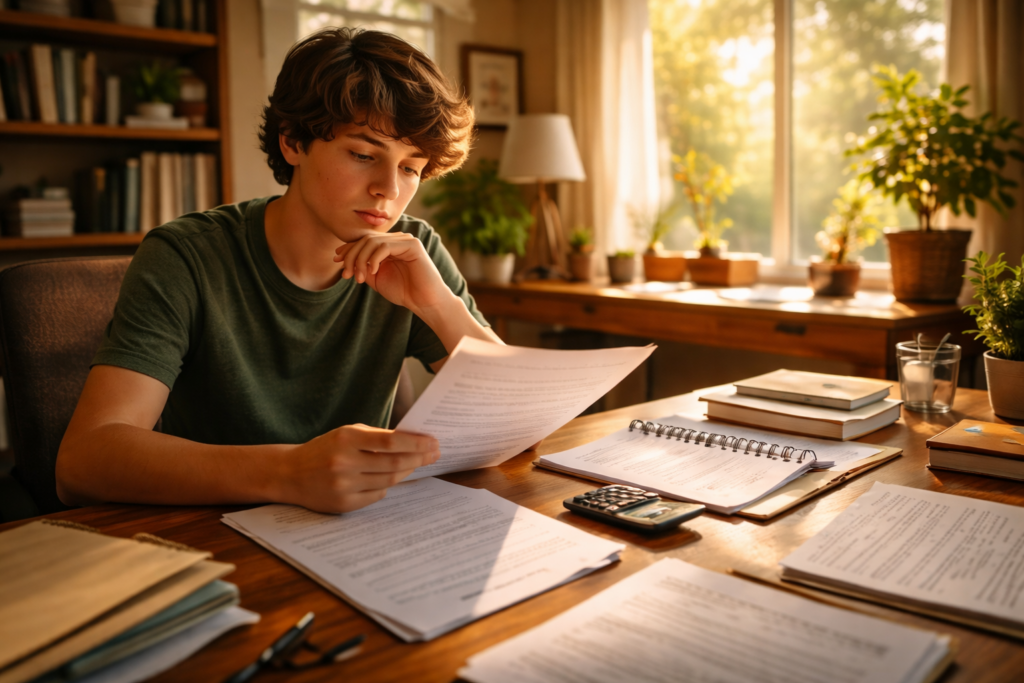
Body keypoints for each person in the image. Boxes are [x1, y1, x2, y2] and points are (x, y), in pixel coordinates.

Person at [56, 28, 501, 514]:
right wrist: (289, 472)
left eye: (411, 167)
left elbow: (516, 422)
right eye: (363, 154)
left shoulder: (413, 252)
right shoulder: (186, 255)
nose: (388, 189)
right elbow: (83, 463)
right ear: (292, 142)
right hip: (211, 530)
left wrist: (438, 305)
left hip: (361, 533)